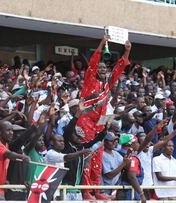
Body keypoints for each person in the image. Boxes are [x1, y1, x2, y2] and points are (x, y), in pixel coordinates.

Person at [76, 35, 131, 200]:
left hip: (99, 123)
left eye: (104, 69)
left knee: (98, 156)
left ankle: (97, 190)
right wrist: (102, 43)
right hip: (85, 120)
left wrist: (127, 50)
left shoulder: (107, 83)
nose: (102, 70)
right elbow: (93, 61)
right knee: (87, 156)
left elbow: (119, 68)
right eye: (99, 68)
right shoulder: (89, 79)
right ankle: (86, 192)